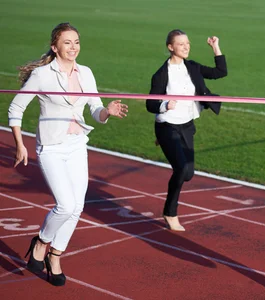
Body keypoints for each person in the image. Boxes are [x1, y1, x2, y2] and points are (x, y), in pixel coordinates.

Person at [8, 22, 128, 286]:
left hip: (76, 145)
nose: (73, 47)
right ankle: (40, 242)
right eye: (67, 42)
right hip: (50, 146)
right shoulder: (42, 75)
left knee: (78, 207)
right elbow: (15, 109)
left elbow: (96, 111)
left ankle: (55, 255)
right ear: (55, 46)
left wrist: (108, 111)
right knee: (65, 205)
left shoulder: (86, 73)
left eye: (76, 42)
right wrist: (20, 144)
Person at [146, 29, 227, 231]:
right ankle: (170, 213)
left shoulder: (193, 67)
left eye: (188, 43)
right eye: (181, 44)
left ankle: (165, 142)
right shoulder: (161, 74)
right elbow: (150, 104)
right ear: (170, 47)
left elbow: (220, 72)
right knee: (181, 169)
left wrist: (216, 47)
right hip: (167, 124)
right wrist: (165, 106)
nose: (186, 47)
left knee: (188, 173)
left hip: (187, 125)